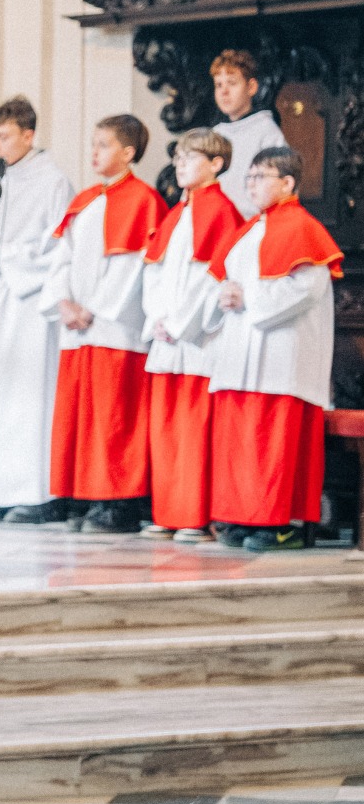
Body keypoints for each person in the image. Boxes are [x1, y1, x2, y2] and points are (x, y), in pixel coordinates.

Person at [206, 146, 341, 550]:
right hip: (241, 349)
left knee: (272, 440)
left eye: (260, 177)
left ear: (288, 183)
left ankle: (278, 524)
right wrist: (224, 295)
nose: (251, 185)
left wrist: (247, 299)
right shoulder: (248, 231)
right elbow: (223, 280)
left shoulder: (304, 228)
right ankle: (240, 517)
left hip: (282, 353)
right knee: (239, 439)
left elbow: (306, 289)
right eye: (248, 177)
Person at [41, 113, 168, 533]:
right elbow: (61, 258)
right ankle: (83, 496)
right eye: (93, 143)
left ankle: (118, 504)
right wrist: (64, 303)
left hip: (115, 329)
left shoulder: (144, 201)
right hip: (78, 329)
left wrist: (93, 308)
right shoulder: (85, 200)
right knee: (79, 416)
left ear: (128, 152)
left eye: (104, 144)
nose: (94, 152)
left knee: (114, 417)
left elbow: (133, 268)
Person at [0, 95, 75, 522]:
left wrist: (7, 255)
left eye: (5, 137)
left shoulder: (54, 182)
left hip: (31, 306)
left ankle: (36, 495)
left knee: (30, 398)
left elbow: (60, 247)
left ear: (28, 135)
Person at [139, 128, 244, 542]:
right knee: (165, 425)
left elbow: (212, 277)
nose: (179, 165)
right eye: (178, 157)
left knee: (194, 426)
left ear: (216, 164)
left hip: (197, 339)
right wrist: (156, 318)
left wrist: (179, 323)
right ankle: (167, 511)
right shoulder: (175, 214)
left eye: (190, 157)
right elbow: (153, 272)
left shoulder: (222, 212)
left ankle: (194, 515)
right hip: (167, 336)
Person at [208, 50, 288, 218]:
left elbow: (279, 185)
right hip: (217, 220)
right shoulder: (215, 135)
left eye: (232, 83)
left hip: (251, 221)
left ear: (251, 87)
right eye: (218, 85)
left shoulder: (266, 131)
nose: (224, 91)